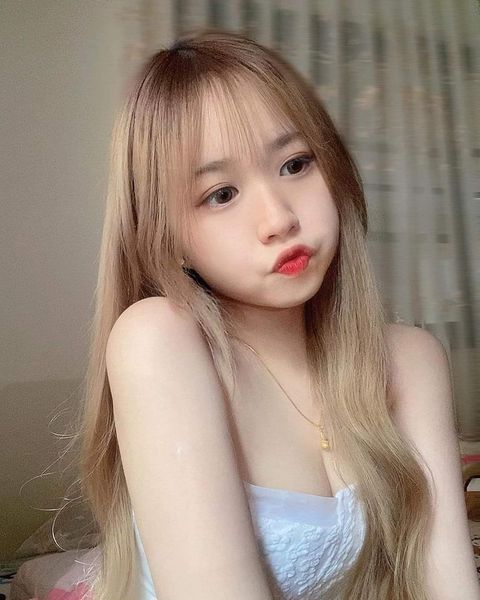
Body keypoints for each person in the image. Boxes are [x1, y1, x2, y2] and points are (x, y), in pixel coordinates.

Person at [77, 28, 479, 600]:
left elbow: (450, 586)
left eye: (295, 164)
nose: (279, 218)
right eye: (221, 194)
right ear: (166, 237)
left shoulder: (410, 360)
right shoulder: (160, 340)